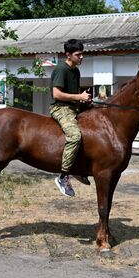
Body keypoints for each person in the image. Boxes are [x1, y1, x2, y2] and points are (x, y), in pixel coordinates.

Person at [50, 39, 92, 197]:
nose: (81, 57)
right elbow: (56, 94)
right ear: (68, 55)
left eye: (82, 54)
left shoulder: (76, 70)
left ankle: (79, 168)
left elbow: (74, 96)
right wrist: (78, 96)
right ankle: (62, 177)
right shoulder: (62, 69)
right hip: (60, 108)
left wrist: (83, 99)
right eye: (78, 54)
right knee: (74, 136)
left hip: (73, 107)